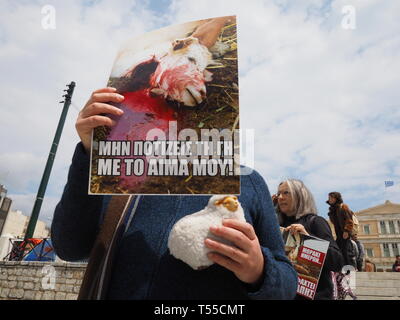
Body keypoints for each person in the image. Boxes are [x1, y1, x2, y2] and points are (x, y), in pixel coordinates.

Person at [51, 87, 297, 300]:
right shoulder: (122, 178)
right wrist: (90, 153)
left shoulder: (247, 182)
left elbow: (287, 284)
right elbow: (69, 247)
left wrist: (258, 270)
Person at [275, 179, 344, 300]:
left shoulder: (316, 222)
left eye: (286, 193)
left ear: (299, 196)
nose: (280, 197)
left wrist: (308, 239)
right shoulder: (277, 226)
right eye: (278, 193)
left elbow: (337, 262)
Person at [327, 192, 356, 268]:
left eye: (331, 197)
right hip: (338, 234)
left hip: (345, 233)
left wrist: (346, 231)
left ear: (336, 198)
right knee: (339, 251)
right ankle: (342, 268)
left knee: (346, 252)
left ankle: (350, 269)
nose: (329, 199)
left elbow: (349, 220)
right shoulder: (333, 210)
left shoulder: (343, 207)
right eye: (329, 197)